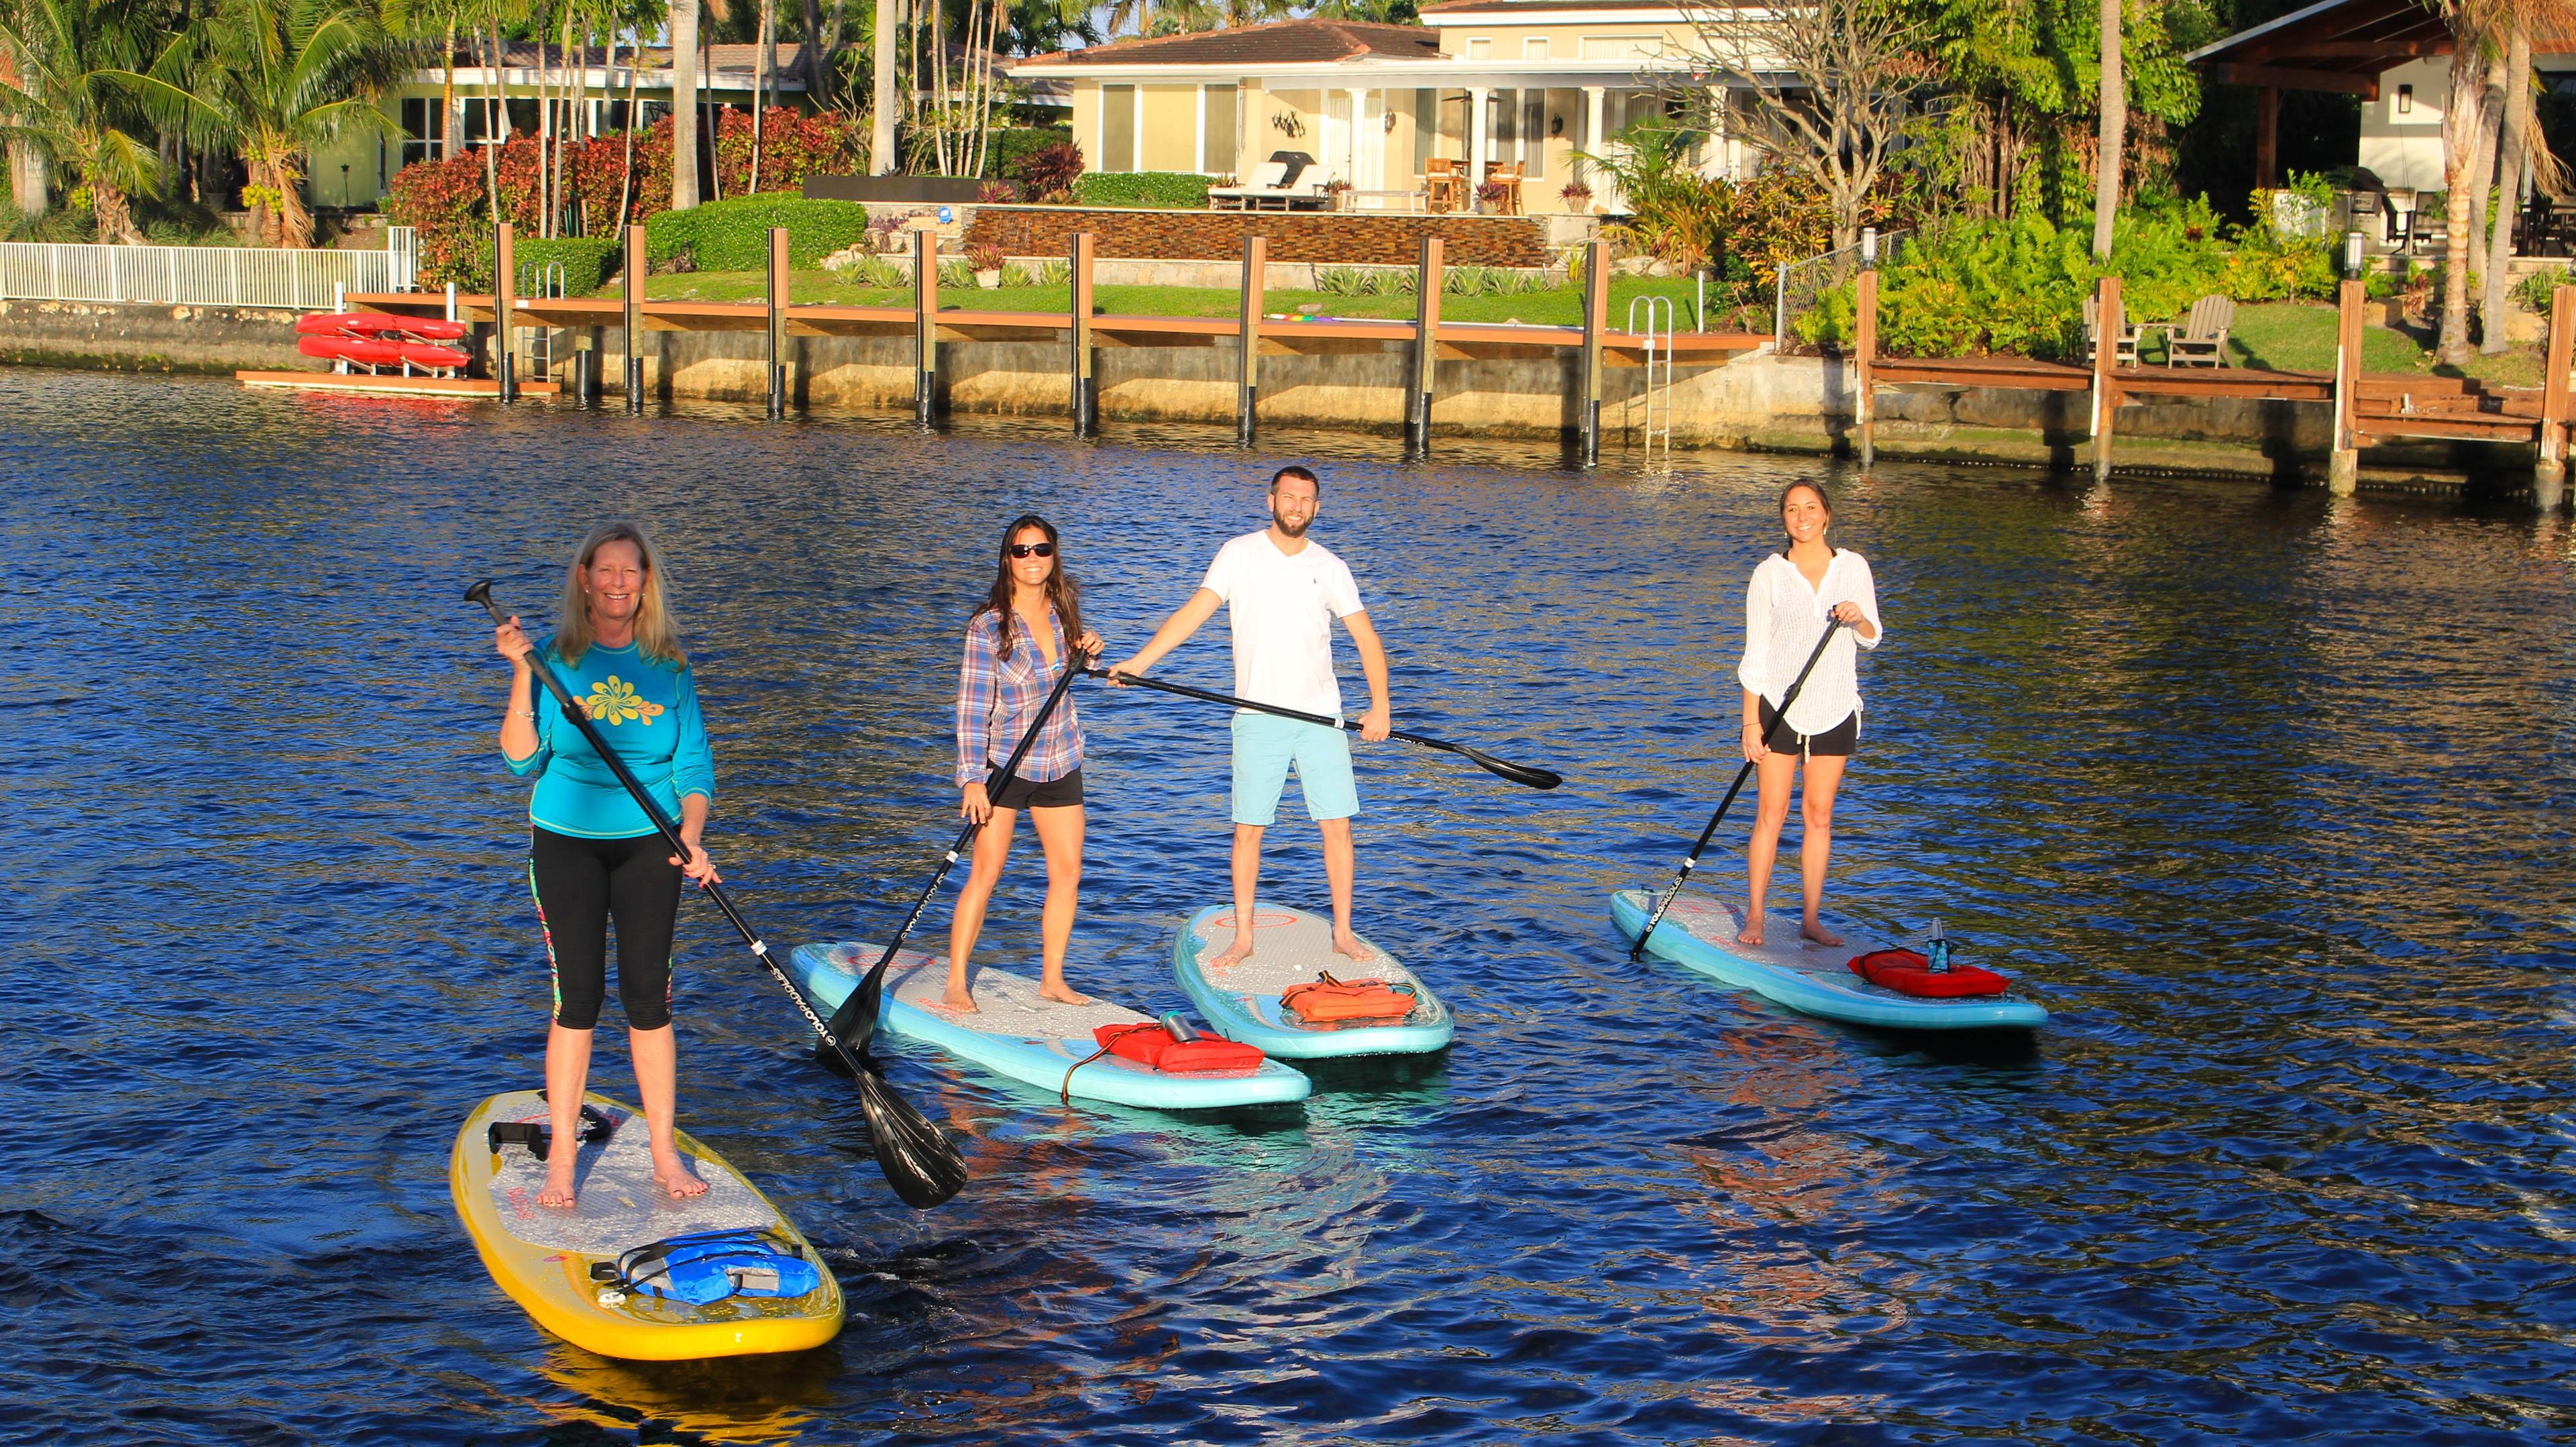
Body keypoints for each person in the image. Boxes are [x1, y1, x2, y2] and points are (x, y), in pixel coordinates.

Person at [492, 521, 720, 1210]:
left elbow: (695, 767)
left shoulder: (672, 668)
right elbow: (519, 760)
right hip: (566, 840)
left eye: (632, 572)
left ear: (645, 584)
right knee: (579, 999)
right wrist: (517, 674)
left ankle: (661, 1150)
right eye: (607, 571)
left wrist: (693, 836)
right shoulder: (552, 661)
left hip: (651, 843)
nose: (620, 582)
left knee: (651, 1000)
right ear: (585, 581)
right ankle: (562, 1158)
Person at [1108, 466, 1391, 967]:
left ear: (1316, 508)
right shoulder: (1239, 554)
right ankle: (1242, 937)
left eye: (1306, 499)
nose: (1297, 506)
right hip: (1258, 716)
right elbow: (1194, 611)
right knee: (1248, 829)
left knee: (1337, 827)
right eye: (1289, 497)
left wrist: (1381, 706)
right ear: (1271, 501)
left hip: (1321, 717)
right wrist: (1139, 663)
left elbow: (1367, 639)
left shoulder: (1330, 567)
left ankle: (1344, 933)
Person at [947, 514, 1105, 1012]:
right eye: (1022, 551)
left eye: (1041, 550)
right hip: (1005, 766)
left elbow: (1074, 668)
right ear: (1007, 559)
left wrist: (1090, 653)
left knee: (1068, 872)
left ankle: (1052, 978)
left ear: (1053, 555)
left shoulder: (1064, 609)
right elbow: (972, 709)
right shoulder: (987, 627)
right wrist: (972, 778)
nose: (1032, 559)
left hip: (1060, 756)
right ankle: (955, 981)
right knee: (987, 871)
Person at [1737, 480, 1882, 949]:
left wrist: (1858, 616)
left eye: (1811, 508)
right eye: (1792, 509)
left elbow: (1872, 635)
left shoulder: (1854, 566)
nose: (1801, 516)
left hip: (1836, 705)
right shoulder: (1769, 574)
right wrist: (1750, 721)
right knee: (1771, 813)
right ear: (1784, 518)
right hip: (1779, 707)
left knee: (1819, 814)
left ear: (1826, 515)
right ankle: (1756, 916)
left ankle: (1811, 919)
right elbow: (1755, 654)